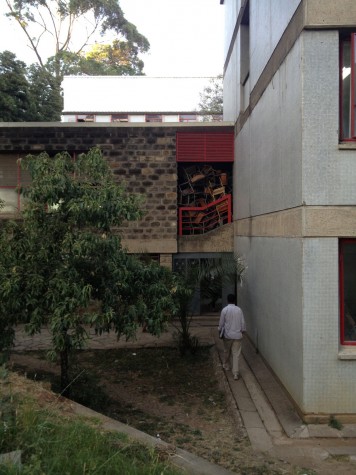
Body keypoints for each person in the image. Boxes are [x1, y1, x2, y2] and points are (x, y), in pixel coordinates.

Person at [218, 294, 246, 381]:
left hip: (228, 335)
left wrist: (219, 330)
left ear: (227, 300)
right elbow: (243, 323)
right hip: (237, 336)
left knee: (227, 350)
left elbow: (221, 323)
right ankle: (235, 374)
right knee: (236, 354)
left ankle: (226, 365)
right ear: (235, 300)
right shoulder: (239, 310)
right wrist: (243, 330)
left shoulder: (224, 310)